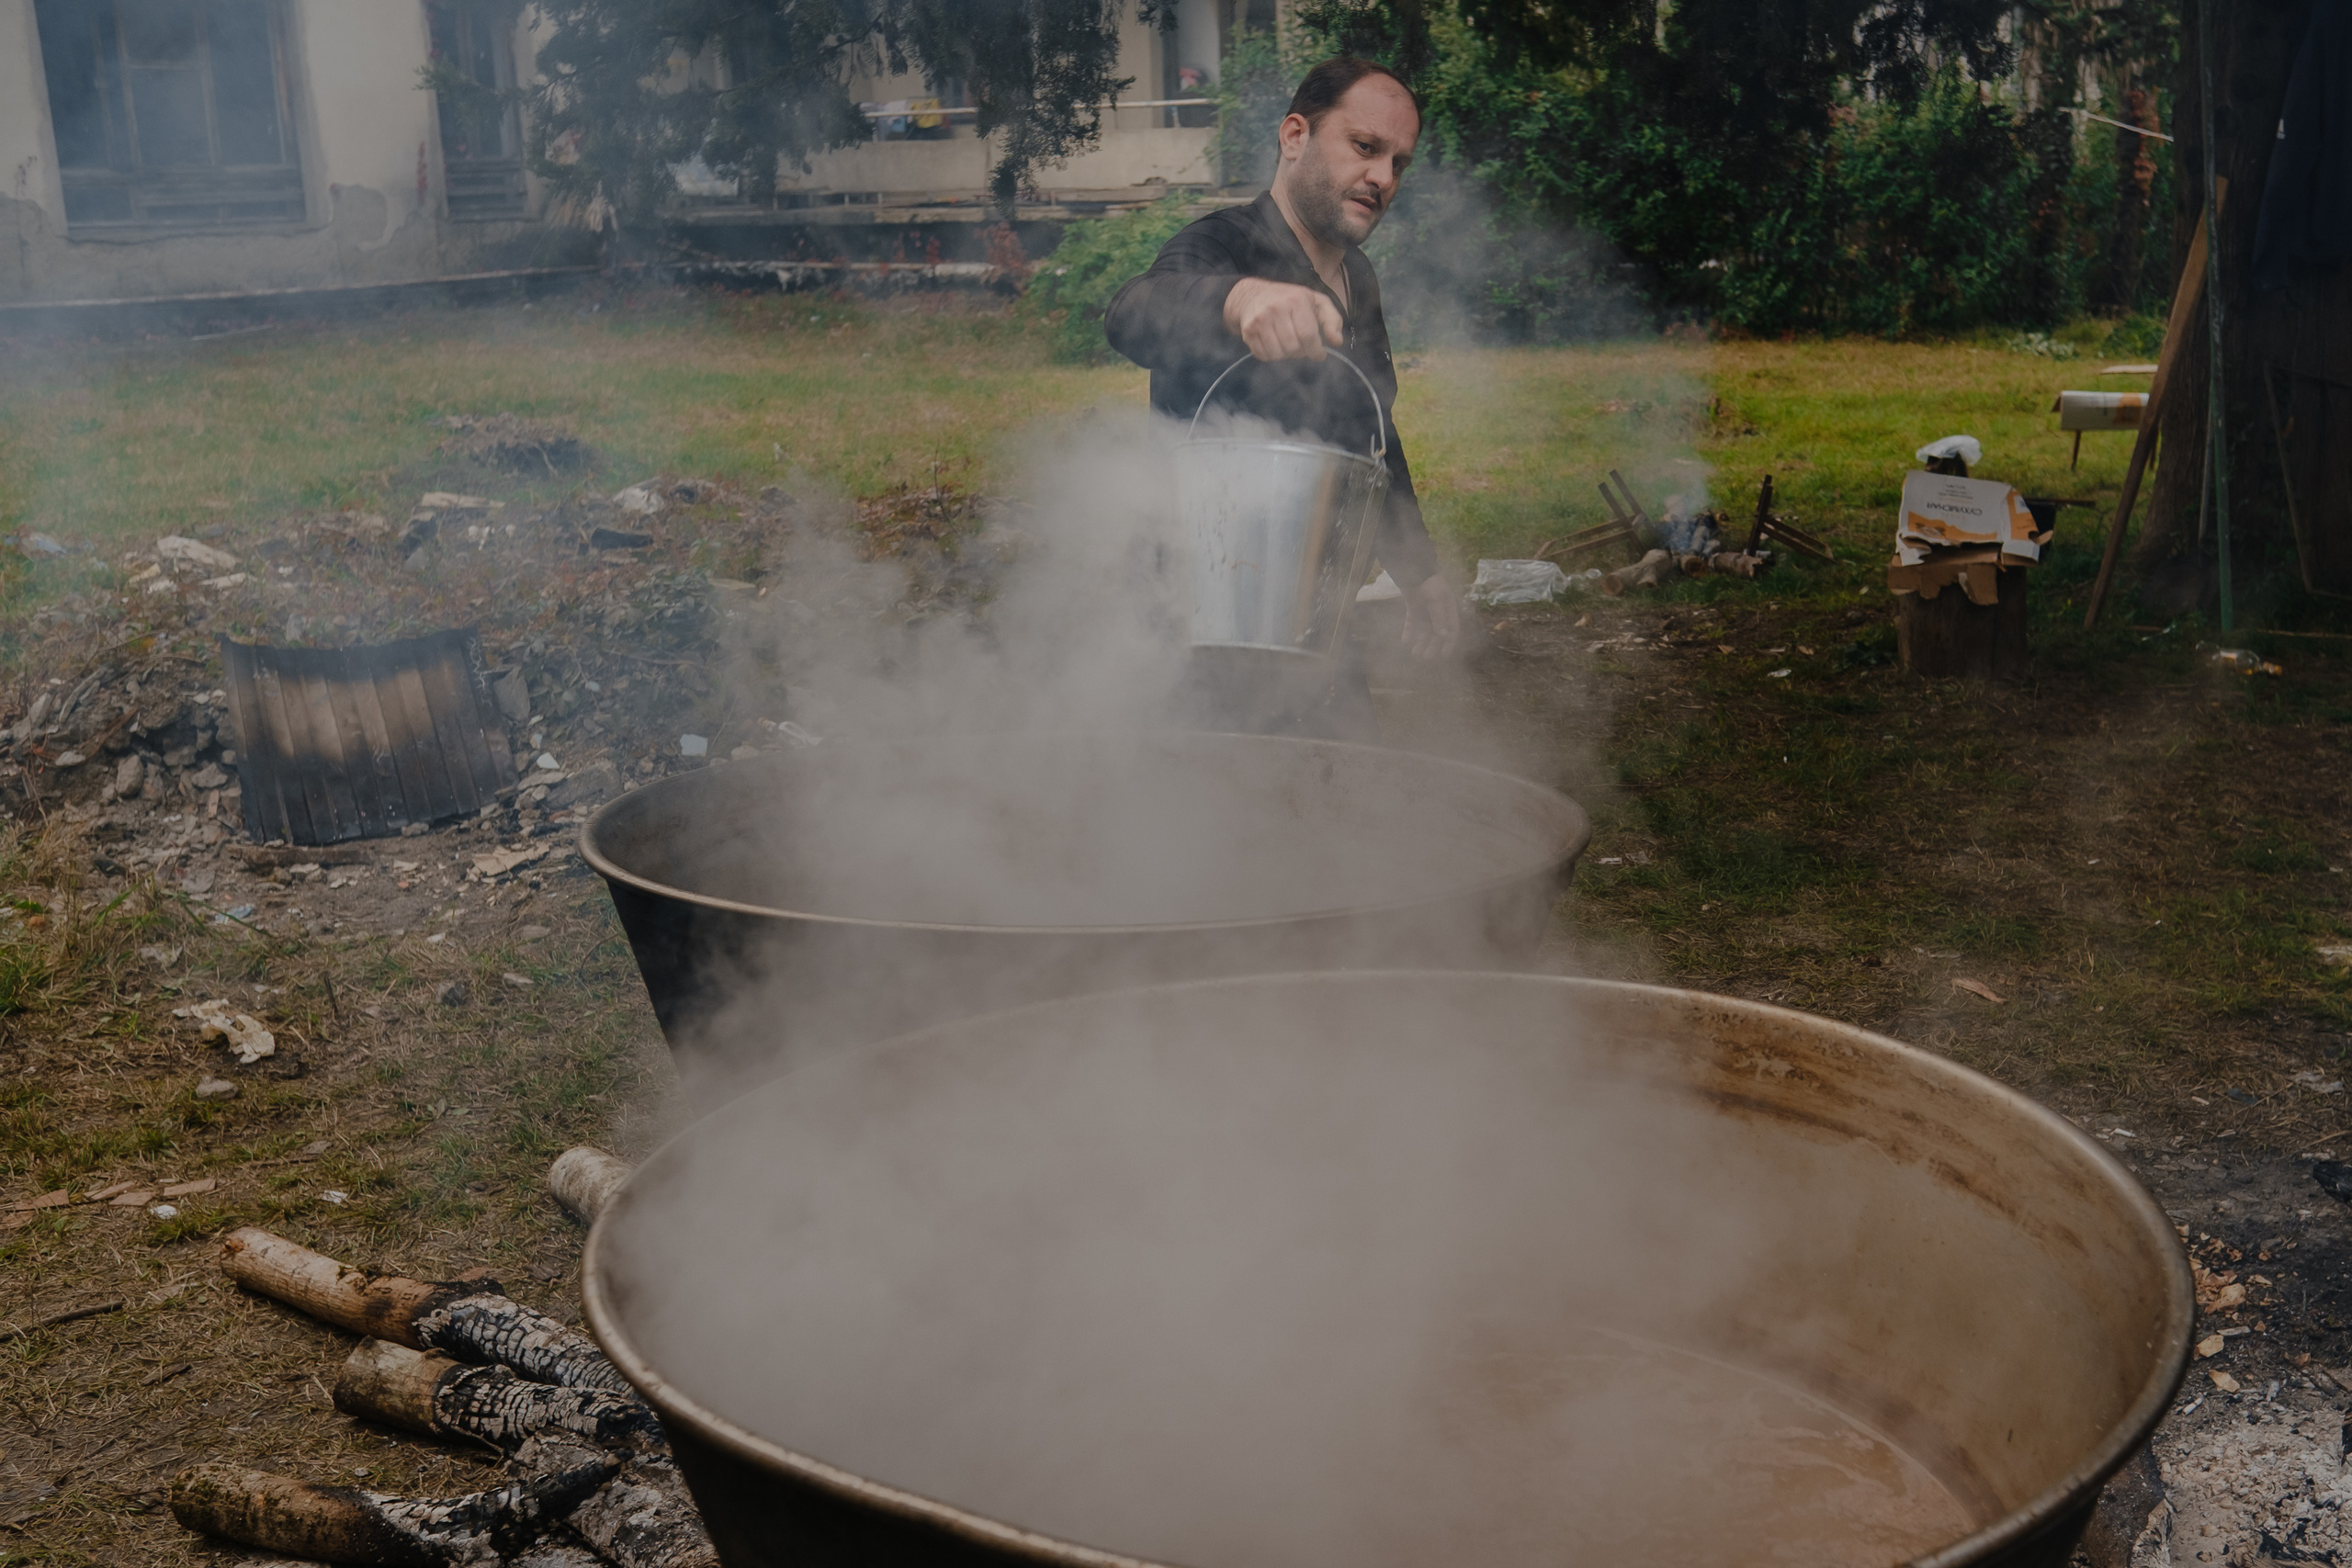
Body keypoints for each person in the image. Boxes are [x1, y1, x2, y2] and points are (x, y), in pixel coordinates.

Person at [1104, 55, 1460, 716]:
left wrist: (1419, 570)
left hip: (1317, 621)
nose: (1382, 177)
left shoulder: (1360, 278)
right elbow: (1133, 311)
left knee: (1344, 789)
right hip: (1198, 632)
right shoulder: (1222, 244)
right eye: (1365, 147)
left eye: (1399, 163)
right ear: (1295, 136)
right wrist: (1237, 301)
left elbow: (1373, 432)